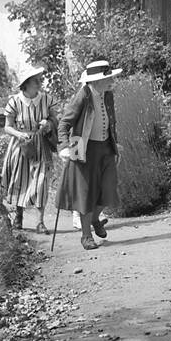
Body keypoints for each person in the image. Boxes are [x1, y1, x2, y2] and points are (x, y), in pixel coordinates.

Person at [56, 58, 122, 250]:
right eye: (108, 77)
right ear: (95, 80)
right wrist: (64, 147)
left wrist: (116, 144)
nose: (112, 81)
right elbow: (64, 123)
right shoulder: (84, 95)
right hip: (82, 148)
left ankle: (94, 218)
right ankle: (86, 236)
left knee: (109, 189)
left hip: (106, 148)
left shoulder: (108, 95)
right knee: (85, 194)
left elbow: (112, 121)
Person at [1, 64, 58, 233]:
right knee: (20, 180)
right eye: (35, 80)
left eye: (39, 80)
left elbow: (56, 120)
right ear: (26, 83)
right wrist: (19, 135)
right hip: (22, 146)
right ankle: (19, 217)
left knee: (42, 181)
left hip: (41, 145)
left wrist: (48, 123)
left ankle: (40, 222)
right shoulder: (15, 101)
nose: (39, 83)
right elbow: (7, 127)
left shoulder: (46, 99)